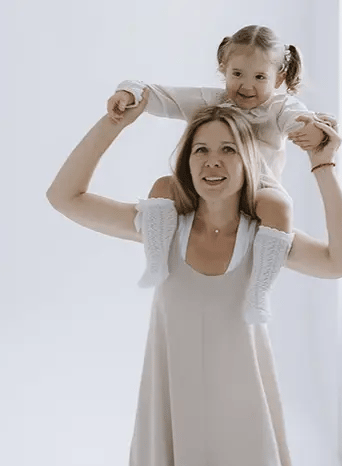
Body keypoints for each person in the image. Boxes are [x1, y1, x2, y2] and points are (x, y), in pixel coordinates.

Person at [46, 88, 342, 466]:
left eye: (228, 149)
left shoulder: (265, 238)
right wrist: (116, 122)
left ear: (248, 162)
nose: (213, 160)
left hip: (245, 419)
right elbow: (64, 197)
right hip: (171, 416)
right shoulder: (162, 228)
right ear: (186, 162)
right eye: (201, 150)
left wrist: (323, 166)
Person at [106, 24, 330, 325]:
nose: (247, 86)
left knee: (279, 206)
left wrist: (310, 128)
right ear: (223, 68)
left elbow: (297, 118)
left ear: (278, 78)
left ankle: (259, 291)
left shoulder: (280, 107)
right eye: (237, 74)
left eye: (260, 77)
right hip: (207, 189)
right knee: (163, 185)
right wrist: (129, 91)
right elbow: (162, 96)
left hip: (256, 190)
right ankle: (157, 261)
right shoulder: (210, 101)